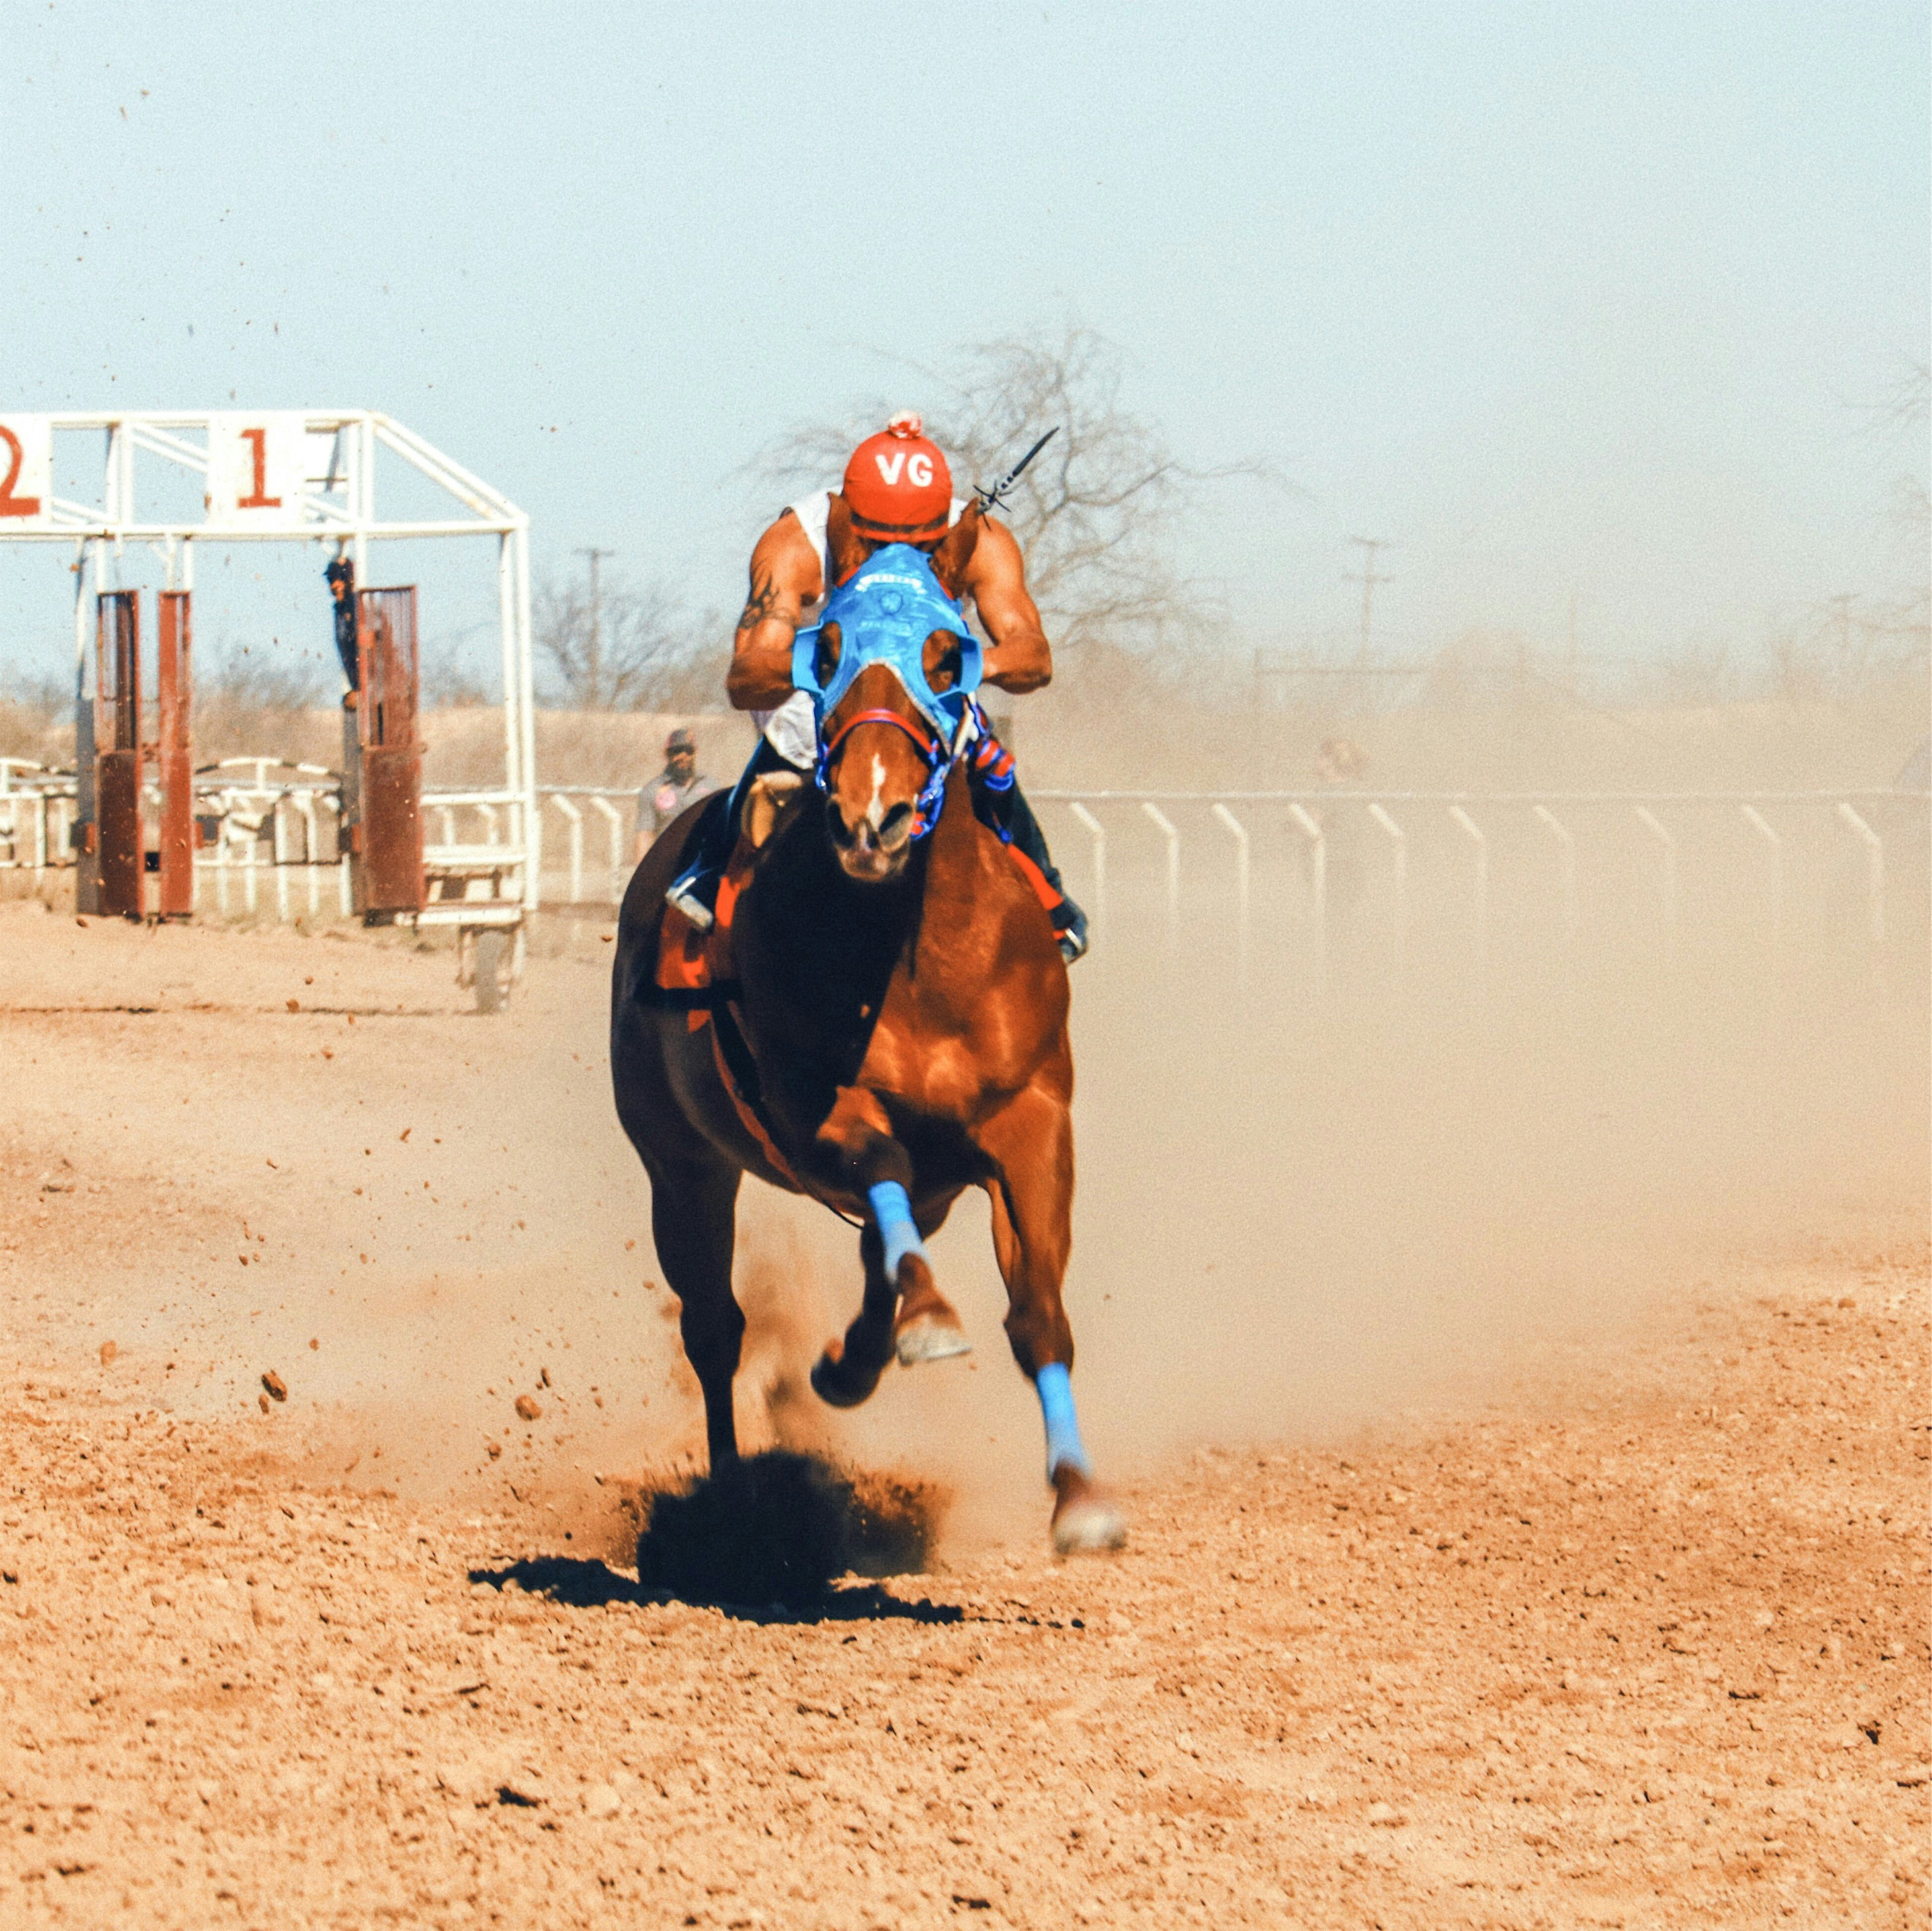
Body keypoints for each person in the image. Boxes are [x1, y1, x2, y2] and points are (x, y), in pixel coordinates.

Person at [665, 413, 1087, 961]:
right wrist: (821, 663)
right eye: (879, 543)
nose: (900, 557)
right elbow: (747, 677)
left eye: (920, 545)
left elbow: (1034, 657)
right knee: (795, 731)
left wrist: (967, 665)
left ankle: (1049, 897)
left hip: (924, 700)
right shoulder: (795, 542)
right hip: (815, 701)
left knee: (976, 741)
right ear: (851, 521)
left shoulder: (977, 535)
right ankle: (708, 863)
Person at [634, 727, 721, 864]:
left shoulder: (711, 786)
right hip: (668, 865)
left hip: (702, 864)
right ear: (667, 754)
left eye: (688, 750)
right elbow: (645, 834)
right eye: (676, 751)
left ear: (695, 753)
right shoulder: (652, 790)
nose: (682, 756)